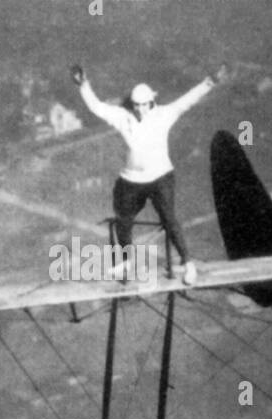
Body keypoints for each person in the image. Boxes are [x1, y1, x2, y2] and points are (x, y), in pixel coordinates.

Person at [70, 64, 228, 285]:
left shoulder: (164, 114)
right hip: (131, 180)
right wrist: (84, 85)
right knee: (123, 221)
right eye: (136, 105)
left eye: (144, 104)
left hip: (160, 177)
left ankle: (187, 264)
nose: (141, 109)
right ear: (131, 104)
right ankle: (125, 263)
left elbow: (188, 100)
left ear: (152, 101)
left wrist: (211, 81)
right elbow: (96, 107)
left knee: (169, 218)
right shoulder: (122, 117)